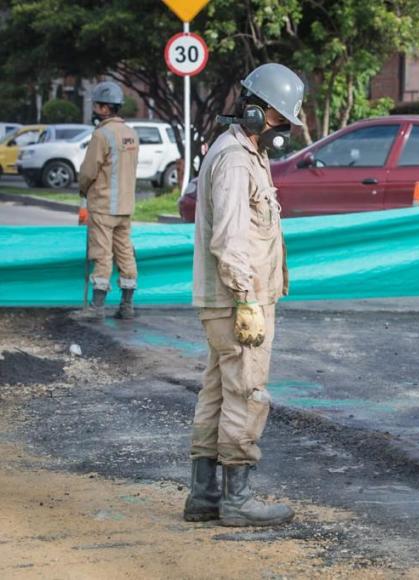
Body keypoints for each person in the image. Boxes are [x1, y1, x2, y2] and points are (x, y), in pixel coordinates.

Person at [184, 63, 304, 527]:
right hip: (240, 301)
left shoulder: (248, 153)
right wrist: (246, 300)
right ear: (255, 113)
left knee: (218, 390)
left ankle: (203, 495)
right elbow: (231, 238)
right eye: (280, 120)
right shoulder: (235, 159)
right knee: (247, 392)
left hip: (234, 299)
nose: (284, 131)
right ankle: (236, 499)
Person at [78, 81, 140, 320]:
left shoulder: (101, 135)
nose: (94, 109)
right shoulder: (131, 134)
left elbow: (88, 171)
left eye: (96, 105)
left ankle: (96, 308)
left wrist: (83, 189)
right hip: (125, 206)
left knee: (102, 254)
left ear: (105, 108)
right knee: (125, 253)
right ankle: (127, 306)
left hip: (104, 206)